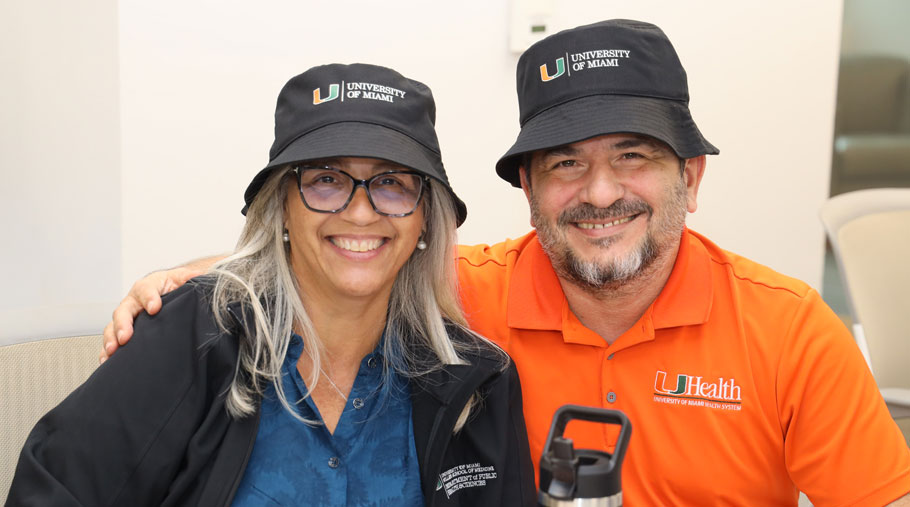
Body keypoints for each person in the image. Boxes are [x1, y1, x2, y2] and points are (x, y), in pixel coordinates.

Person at [101, 20, 910, 506]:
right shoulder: (459, 298)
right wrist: (193, 276)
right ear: (526, 188)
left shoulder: (790, 327)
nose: (599, 192)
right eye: (563, 164)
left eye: (632, 156)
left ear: (690, 179)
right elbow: (342, 251)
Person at [8, 63, 536, 506]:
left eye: (392, 183)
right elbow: (52, 491)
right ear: (281, 205)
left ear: (425, 219)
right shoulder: (189, 334)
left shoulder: (475, 380)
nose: (359, 211)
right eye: (326, 179)